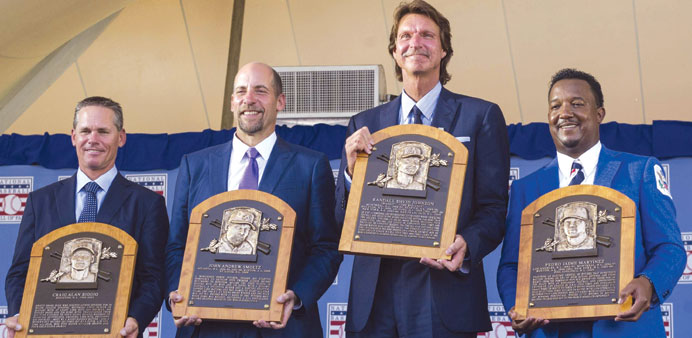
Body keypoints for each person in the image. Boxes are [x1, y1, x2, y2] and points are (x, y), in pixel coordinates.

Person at [334, 1, 510, 336]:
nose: (416, 42)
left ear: (444, 50)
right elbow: (341, 220)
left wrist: (467, 243)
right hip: (375, 295)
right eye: (406, 36)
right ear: (395, 51)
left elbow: (493, 208)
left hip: (443, 288)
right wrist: (352, 175)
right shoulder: (364, 124)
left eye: (428, 35)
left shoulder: (480, 116)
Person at [497, 68, 686, 337]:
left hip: (623, 329)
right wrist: (515, 305)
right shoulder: (525, 189)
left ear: (599, 114)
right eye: (555, 106)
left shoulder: (639, 171)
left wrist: (649, 282)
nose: (564, 113)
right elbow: (510, 266)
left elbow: (670, 247)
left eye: (577, 104)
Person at [165, 62, 341, 337]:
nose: (250, 99)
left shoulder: (311, 166)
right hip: (207, 326)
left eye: (261, 91)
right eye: (241, 91)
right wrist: (179, 292)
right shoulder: (194, 165)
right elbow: (177, 245)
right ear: (233, 102)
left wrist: (297, 296)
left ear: (279, 101)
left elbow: (326, 248)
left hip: (283, 326)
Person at [4, 96, 169, 338]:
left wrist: (136, 319)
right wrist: (21, 315)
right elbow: (20, 271)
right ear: (73, 137)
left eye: (103, 131)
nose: (93, 139)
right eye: (85, 131)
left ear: (120, 138)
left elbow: (153, 278)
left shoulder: (147, 204)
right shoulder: (40, 202)